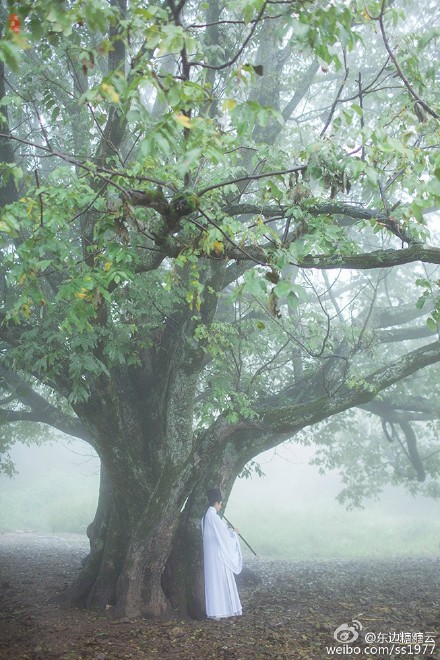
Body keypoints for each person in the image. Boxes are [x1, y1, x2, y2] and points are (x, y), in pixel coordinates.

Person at [201, 488, 243, 620]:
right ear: (216, 503)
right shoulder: (213, 516)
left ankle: (216, 610)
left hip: (211, 556)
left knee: (214, 582)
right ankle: (221, 610)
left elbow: (220, 531)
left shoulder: (206, 517)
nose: (221, 506)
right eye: (220, 503)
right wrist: (234, 533)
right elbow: (224, 536)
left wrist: (228, 529)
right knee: (220, 580)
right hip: (218, 556)